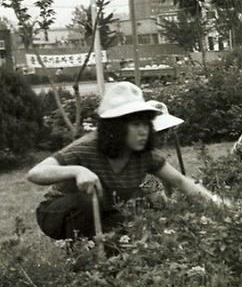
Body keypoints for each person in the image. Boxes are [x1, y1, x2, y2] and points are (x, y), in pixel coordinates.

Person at [27, 82, 227, 241]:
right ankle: (79, 255)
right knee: (86, 201)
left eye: (146, 125)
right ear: (116, 127)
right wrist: (77, 171)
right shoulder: (88, 147)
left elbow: (181, 182)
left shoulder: (143, 155)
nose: (144, 131)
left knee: (134, 237)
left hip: (105, 213)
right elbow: (36, 173)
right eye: (136, 125)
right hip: (56, 215)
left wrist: (220, 205)